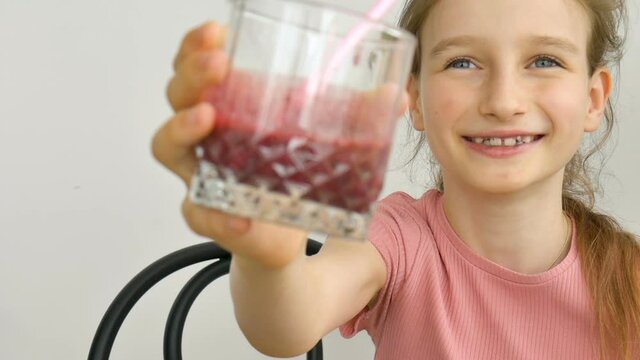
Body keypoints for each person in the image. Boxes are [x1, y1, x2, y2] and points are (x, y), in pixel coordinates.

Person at [151, 0, 640, 358]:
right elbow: (286, 324)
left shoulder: (629, 281)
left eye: (545, 61)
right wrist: (266, 253)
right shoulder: (399, 240)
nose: (503, 100)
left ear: (594, 99)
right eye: (462, 62)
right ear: (415, 98)